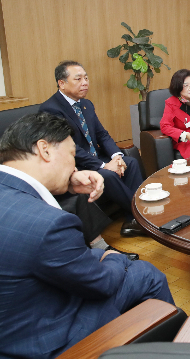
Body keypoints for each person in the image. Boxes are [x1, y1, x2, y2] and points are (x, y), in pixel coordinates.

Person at [0, 113, 173, 358]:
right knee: (144, 274)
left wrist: (67, 182)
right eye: (72, 155)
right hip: (41, 339)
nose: (75, 165)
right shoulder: (49, 225)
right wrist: (111, 256)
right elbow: (101, 284)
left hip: (15, 312)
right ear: (44, 150)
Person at [40, 60, 145, 237]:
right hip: (76, 164)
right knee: (108, 175)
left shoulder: (86, 104)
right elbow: (68, 148)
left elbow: (102, 134)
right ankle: (144, 215)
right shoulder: (51, 109)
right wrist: (103, 166)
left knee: (131, 162)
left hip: (97, 158)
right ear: (62, 83)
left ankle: (132, 219)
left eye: (86, 78)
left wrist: (116, 157)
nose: (85, 82)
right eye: (78, 78)